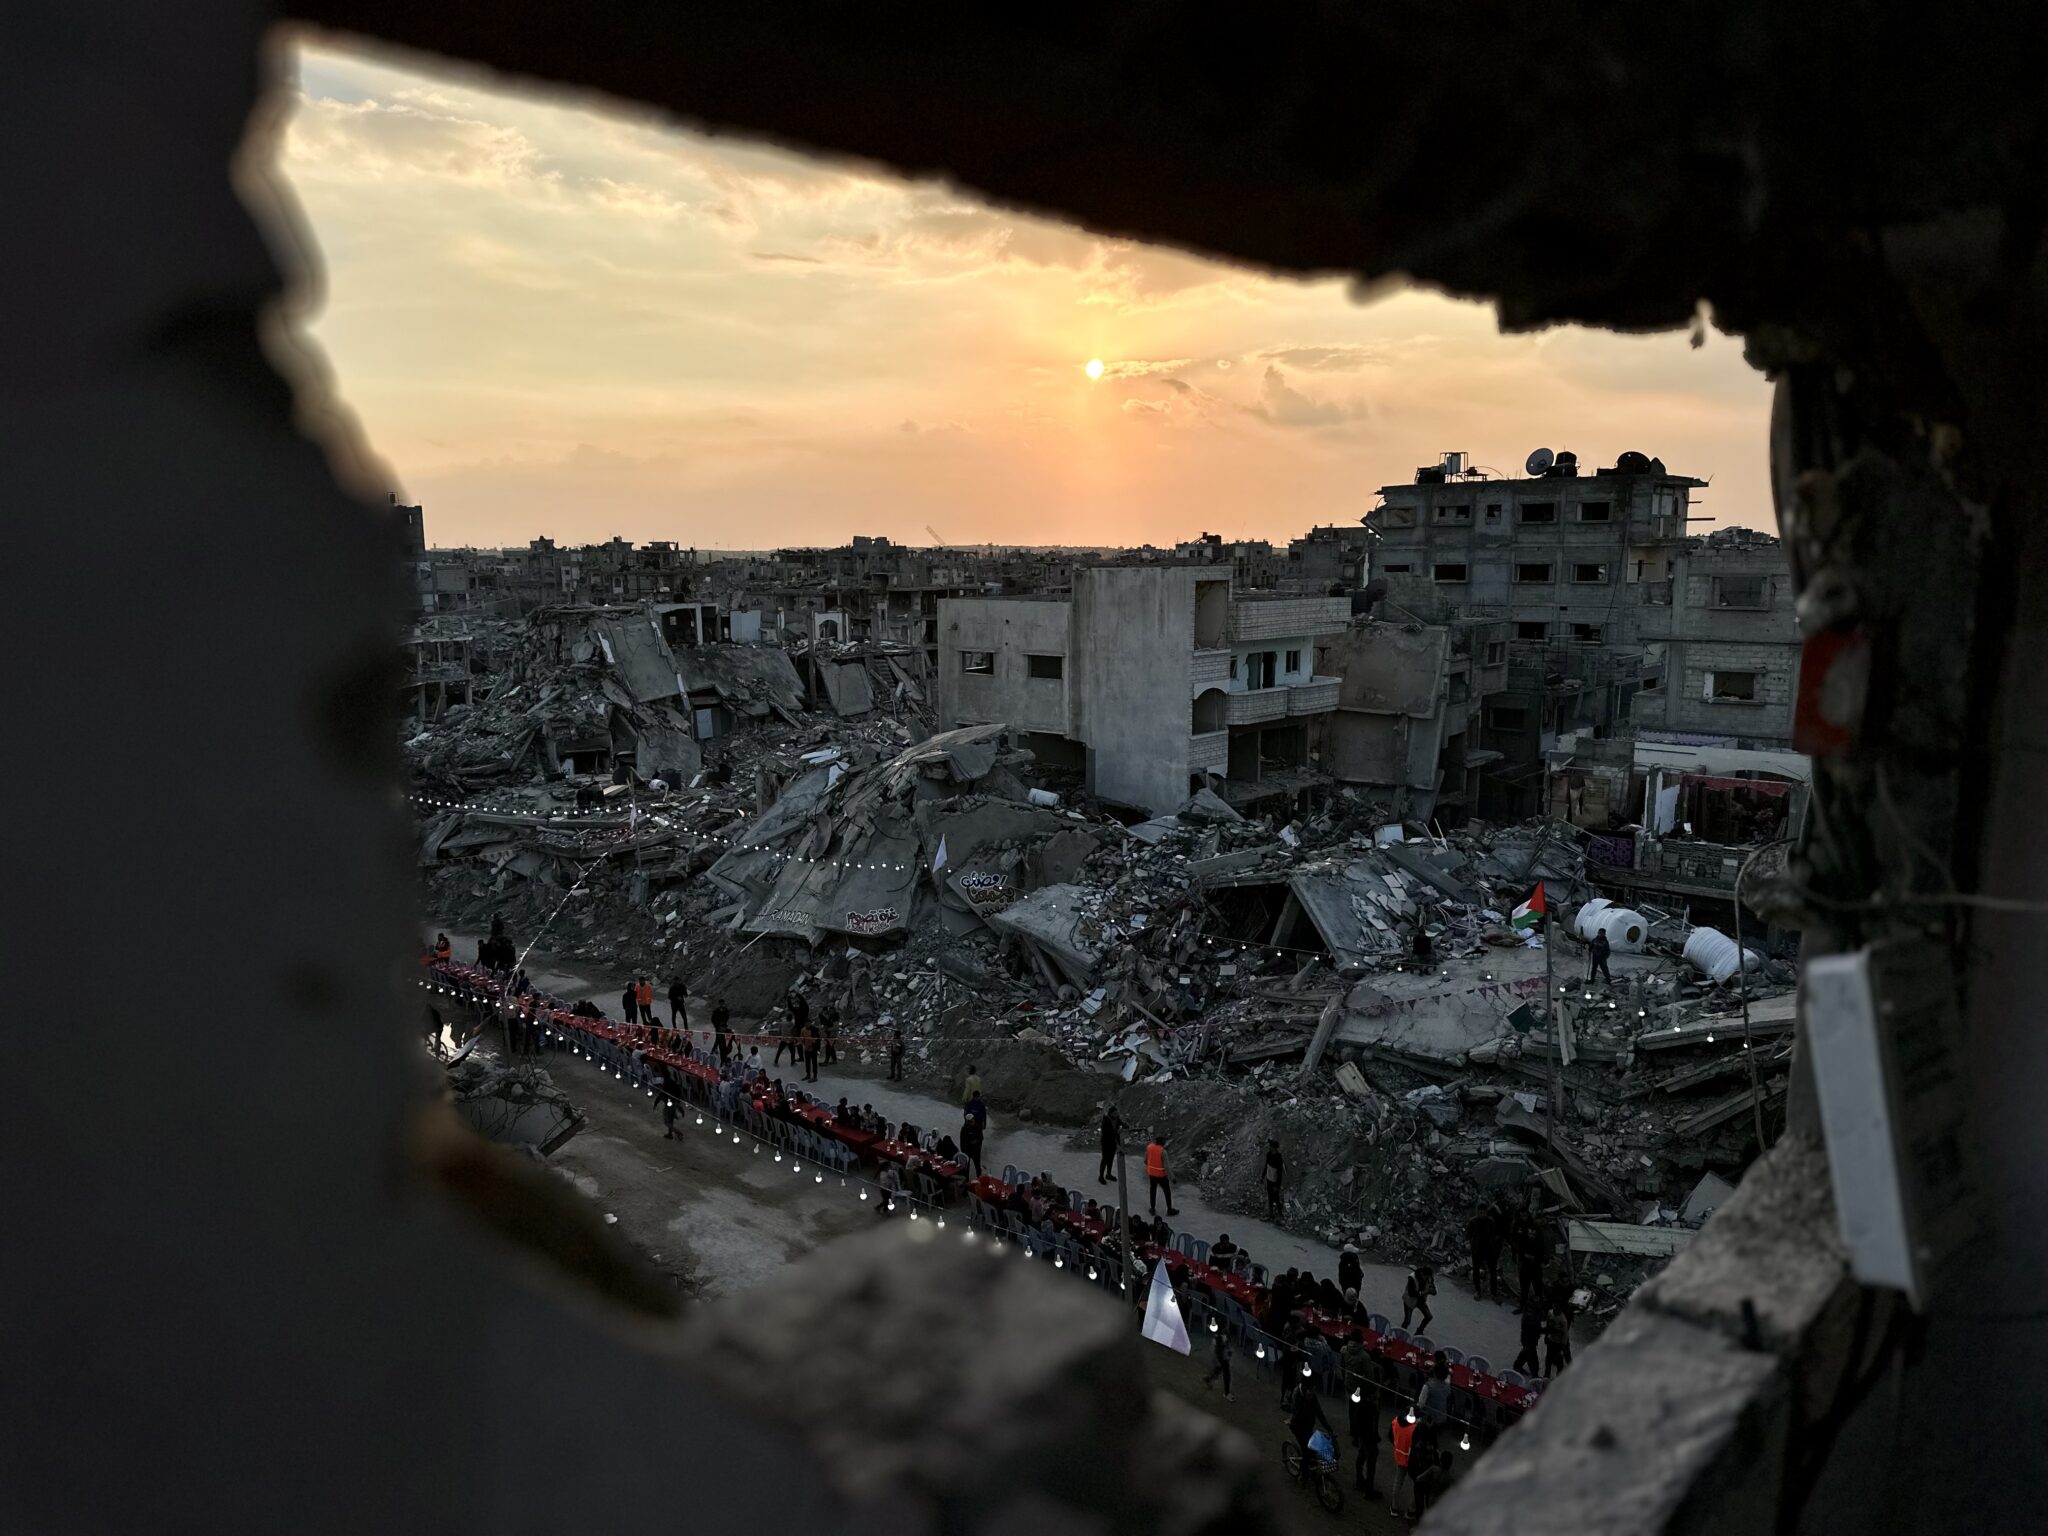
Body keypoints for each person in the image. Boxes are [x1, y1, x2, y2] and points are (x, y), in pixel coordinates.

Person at [1342, 1338, 1385, 1497]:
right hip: (1368, 1433)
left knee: (1361, 1455)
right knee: (1371, 1458)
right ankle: (1368, 1488)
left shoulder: (1364, 1371)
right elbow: (1372, 1424)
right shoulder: (1376, 1374)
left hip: (1361, 1429)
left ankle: (1360, 1480)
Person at [1286, 1378, 1334, 1473]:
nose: (1312, 1394)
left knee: (1313, 1449)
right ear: (1304, 1388)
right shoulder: (1296, 1396)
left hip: (1308, 1426)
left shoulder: (1312, 1396)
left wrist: (1328, 1427)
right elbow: (1296, 1414)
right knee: (1306, 1451)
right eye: (1310, 1391)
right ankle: (1303, 1476)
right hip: (1297, 1426)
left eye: (1313, 1390)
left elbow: (1319, 1413)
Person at [1388, 1409, 1420, 1520]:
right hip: (1412, 1461)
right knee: (1417, 1485)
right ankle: (1411, 1511)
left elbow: (1390, 1436)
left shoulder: (1396, 1421)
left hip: (1399, 1456)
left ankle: (1394, 1507)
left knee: (1398, 1481)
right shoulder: (1415, 1428)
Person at [1468, 1205, 1503, 1301]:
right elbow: (1469, 1235)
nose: (1482, 1214)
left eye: (1483, 1212)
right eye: (1480, 1212)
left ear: (1486, 1212)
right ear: (1477, 1212)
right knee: (1476, 1270)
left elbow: (1496, 1235)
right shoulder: (1473, 1222)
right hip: (1477, 1249)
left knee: (1492, 1271)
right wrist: (1472, 1245)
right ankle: (1477, 1290)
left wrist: (1495, 1248)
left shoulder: (1491, 1222)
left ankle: (1494, 1292)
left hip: (1489, 1250)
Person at [1411, 1449, 1454, 1522]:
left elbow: (1419, 1478)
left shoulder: (1434, 1469)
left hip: (1431, 1495)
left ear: (1440, 1461)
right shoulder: (1450, 1477)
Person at [1144, 1135, 1179, 1217]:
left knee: (1153, 1191)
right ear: (1162, 1142)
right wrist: (1172, 1178)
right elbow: (1167, 1167)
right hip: (1161, 1175)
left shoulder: (1149, 1147)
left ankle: (1152, 1209)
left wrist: (1151, 1166)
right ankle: (1169, 1210)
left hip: (1152, 1174)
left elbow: (1145, 1161)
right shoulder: (1163, 1152)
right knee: (1167, 1192)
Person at [1418, 1352, 1452, 1425]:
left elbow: (1420, 1404)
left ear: (1434, 1373)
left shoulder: (1428, 1386)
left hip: (1428, 1418)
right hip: (1442, 1419)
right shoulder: (1447, 1387)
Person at [1202, 1323, 1233, 1401]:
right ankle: (1227, 1393)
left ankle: (1208, 1379)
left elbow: (1227, 1349)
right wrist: (1219, 1360)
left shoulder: (1222, 1338)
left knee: (1218, 1372)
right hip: (1221, 1359)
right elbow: (1217, 1352)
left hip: (1222, 1358)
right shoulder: (1218, 1340)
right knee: (1226, 1375)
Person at [1513, 1300, 1544, 1376]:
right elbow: (1536, 1330)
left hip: (1529, 1340)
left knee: (1525, 1354)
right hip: (1529, 1341)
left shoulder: (1530, 1316)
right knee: (1532, 1359)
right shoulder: (1531, 1318)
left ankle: (1517, 1366)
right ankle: (1534, 1374)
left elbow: (1536, 1329)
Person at [1543, 1299, 1574, 1376]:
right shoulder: (1550, 1312)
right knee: (1548, 1359)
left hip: (1558, 1342)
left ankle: (1559, 1376)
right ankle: (1546, 1375)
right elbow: (1548, 1324)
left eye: (1557, 1308)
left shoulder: (1563, 1320)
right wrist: (1546, 1336)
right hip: (1551, 1340)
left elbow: (1565, 1334)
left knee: (1559, 1360)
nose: (1555, 1309)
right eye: (1554, 1307)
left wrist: (1563, 1345)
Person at [1402, 1264, 1436, 1332]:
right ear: (1422, 1274)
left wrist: (1431, 1291)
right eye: (1426, 1277)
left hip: (1421, 1301)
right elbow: (1411, 1293)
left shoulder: (1429, 1278)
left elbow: (1434, 1291)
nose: (1427, 1279)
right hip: (1409, 1301)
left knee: (1429, 1316)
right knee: (1407, 1320)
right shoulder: (1412, 1277)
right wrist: (1424, 1292)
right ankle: (1401, 1332)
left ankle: (1419, 1331)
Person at [1097, 1103, 1121, 1185]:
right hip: (1106, 1143)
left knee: (1110, 1159)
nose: (1116, 1115)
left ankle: (1108, 1174)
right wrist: (1115, 1131)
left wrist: (1125, 1126)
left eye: (1117, 1113)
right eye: (1115, 1113)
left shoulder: (1117, 1119)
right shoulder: (1106, 1120)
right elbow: (1105, 1132)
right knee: (1105, 1160)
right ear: (1111, 1113)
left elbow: (1121, 1124)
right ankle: (1101, 1176)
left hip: (1113, 1142)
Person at [1263, 1137, 1285, 1217]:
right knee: (1270, 1196)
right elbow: (1266, 1166)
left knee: (1276, 1197)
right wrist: (1263, 1176)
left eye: (1271, 1146)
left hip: (1275, 1181)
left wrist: (1277, 1185)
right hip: (1269, 1178)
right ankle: (1271, 1213)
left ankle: (1280, 1214)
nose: (1269, 1147)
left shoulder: (1278, 1157)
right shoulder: (1268, 1154)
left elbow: (1279, 1173)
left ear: (1274, 1147)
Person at [819, 1000, 838, 1066]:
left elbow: (835, 1028)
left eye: (831, 1011)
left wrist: (828, 1029)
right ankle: (834, 1060)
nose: (829, 1012)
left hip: (832, 1035)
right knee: (831, 1048)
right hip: (831, 1034)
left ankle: (826, 1062)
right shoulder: (831, 1017)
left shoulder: (835, 1018)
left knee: (828, 1048)